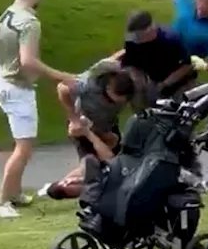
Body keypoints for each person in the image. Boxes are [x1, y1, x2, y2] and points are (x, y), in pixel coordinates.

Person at [0, 0, 75, 218]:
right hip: (17, 88)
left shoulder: (8, 14)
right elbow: (28, 61)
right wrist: (62, 76)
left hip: (2, 81)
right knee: (24, 147)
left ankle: (14, 193)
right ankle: (2, 201)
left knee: (23, 144)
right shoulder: (29, 22)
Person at [40, 60, 137, 200]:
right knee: (91, 164)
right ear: (109, 88)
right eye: (119, 98)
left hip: (107, 126)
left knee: (113, 167)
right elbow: (63, 88)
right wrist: (74, 119)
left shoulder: (125, 82)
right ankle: (61, 188)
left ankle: (62, 185)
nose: (122, 102)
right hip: (83, 125)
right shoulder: (88, 86)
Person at [115, 10, 194, 108]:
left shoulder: (171, 40)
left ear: (151, 30)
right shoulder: (132, 41)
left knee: (178, 110)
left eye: (139, 36)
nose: (136, 40)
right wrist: (137, 79)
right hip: (153, 79)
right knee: (150, 108)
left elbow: (186, 66)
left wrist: (164, 84)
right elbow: (130, 62)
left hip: (179, 82)